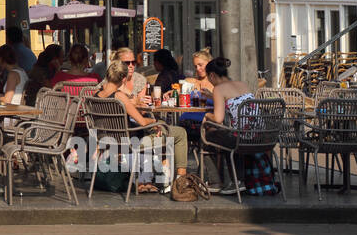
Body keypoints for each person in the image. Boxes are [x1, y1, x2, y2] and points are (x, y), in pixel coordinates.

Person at [97, 57, 188, 194]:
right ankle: (181, 182)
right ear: (123, 80)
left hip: (107, 140)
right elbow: (142, 122)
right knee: (180, 133)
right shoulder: (119, 96)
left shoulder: (96, 95)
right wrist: (157, 122)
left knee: (160, 130)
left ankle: (159, 177)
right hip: (129, 143)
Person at [202, 56, 276, 197]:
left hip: (243, 139)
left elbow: (218, 119)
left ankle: (218, 182)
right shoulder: (242, 84)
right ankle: (238, 179)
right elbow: (234, 101)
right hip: (261, 137)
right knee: (227, 136)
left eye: (208, 78)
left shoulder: (218, 89)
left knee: (209, 134)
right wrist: (212, 97)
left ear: (212, 75)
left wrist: (206, 116)